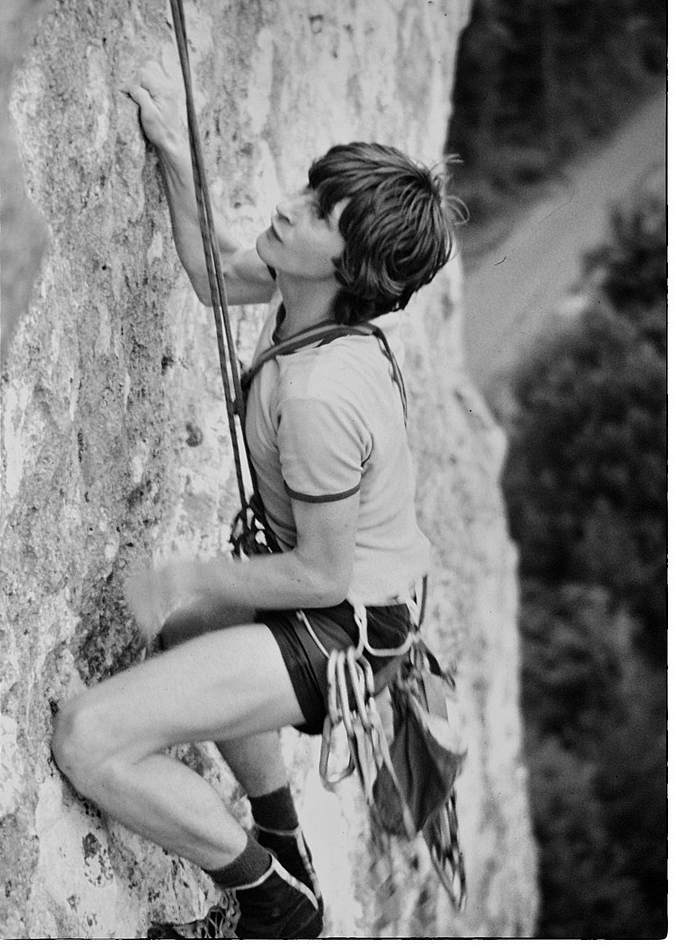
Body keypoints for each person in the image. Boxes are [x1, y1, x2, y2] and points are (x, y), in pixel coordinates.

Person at [52, 62, 459, 939]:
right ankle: (283, 841)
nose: (289, 205)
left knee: (88, 737)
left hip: (344, 630)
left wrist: (190, 573)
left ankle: (276, 901)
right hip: (360, 610)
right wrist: (175, 150)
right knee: (189, 633)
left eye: (317, 213)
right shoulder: (310, 305)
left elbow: (320, 575)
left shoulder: (319, 395)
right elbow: (213, 272)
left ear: (349, 265)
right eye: (311, 189)